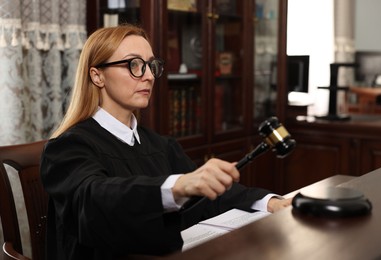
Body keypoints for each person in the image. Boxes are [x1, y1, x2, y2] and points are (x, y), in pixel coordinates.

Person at [40, 24, 292, 260]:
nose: (149, 76)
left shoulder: (160, 145)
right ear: (97, 76)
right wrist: (178, 186)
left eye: (151, 65)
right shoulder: (67, 147)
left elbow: (208, 195)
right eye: (134, 65)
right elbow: (93, 201)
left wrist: (270, 202)